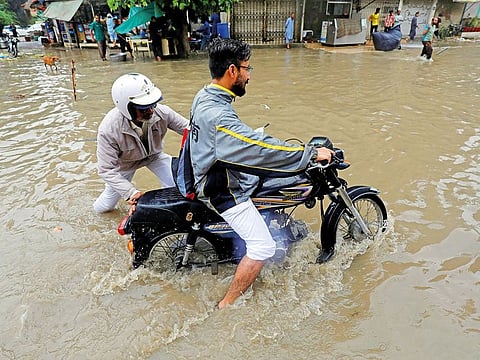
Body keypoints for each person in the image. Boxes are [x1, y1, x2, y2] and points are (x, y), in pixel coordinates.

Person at [188, 38, 334, 308]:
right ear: (232, 70)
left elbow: (242, 141)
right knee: (263, 247)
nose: (249, 76)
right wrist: (309, 153)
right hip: (221, 188)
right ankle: (226, 304)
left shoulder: (205, 96)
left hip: (209, 169)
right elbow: (260, 150)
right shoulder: (220, 117)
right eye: (247, 68)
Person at [93, 73, 189, 213]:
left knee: (178, 186)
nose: (150, 111)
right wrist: (131, 192)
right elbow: (106, 170)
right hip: (125, 165)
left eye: (152, 105)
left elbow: (190, 130)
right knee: (105, 207)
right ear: (128, 108)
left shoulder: (162, 112)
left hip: (153, 156)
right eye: (143, 108)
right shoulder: (109, 130)